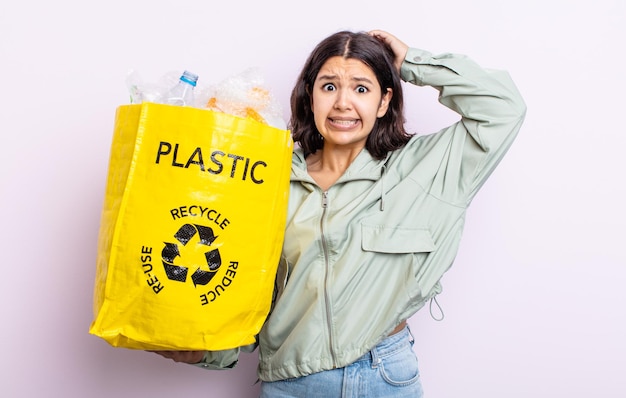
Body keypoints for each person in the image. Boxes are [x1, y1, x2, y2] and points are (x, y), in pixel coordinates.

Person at [154, 29, 526, 397]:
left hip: (383, 375)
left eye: (361, 89)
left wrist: (411, 61)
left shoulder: (425, 168)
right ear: (309, 97)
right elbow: (246, 288)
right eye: (329, 86)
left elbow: (503, 108)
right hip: (291, 381)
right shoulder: (269, 176)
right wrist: (208, 353)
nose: (343, 103)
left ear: (384, 101)